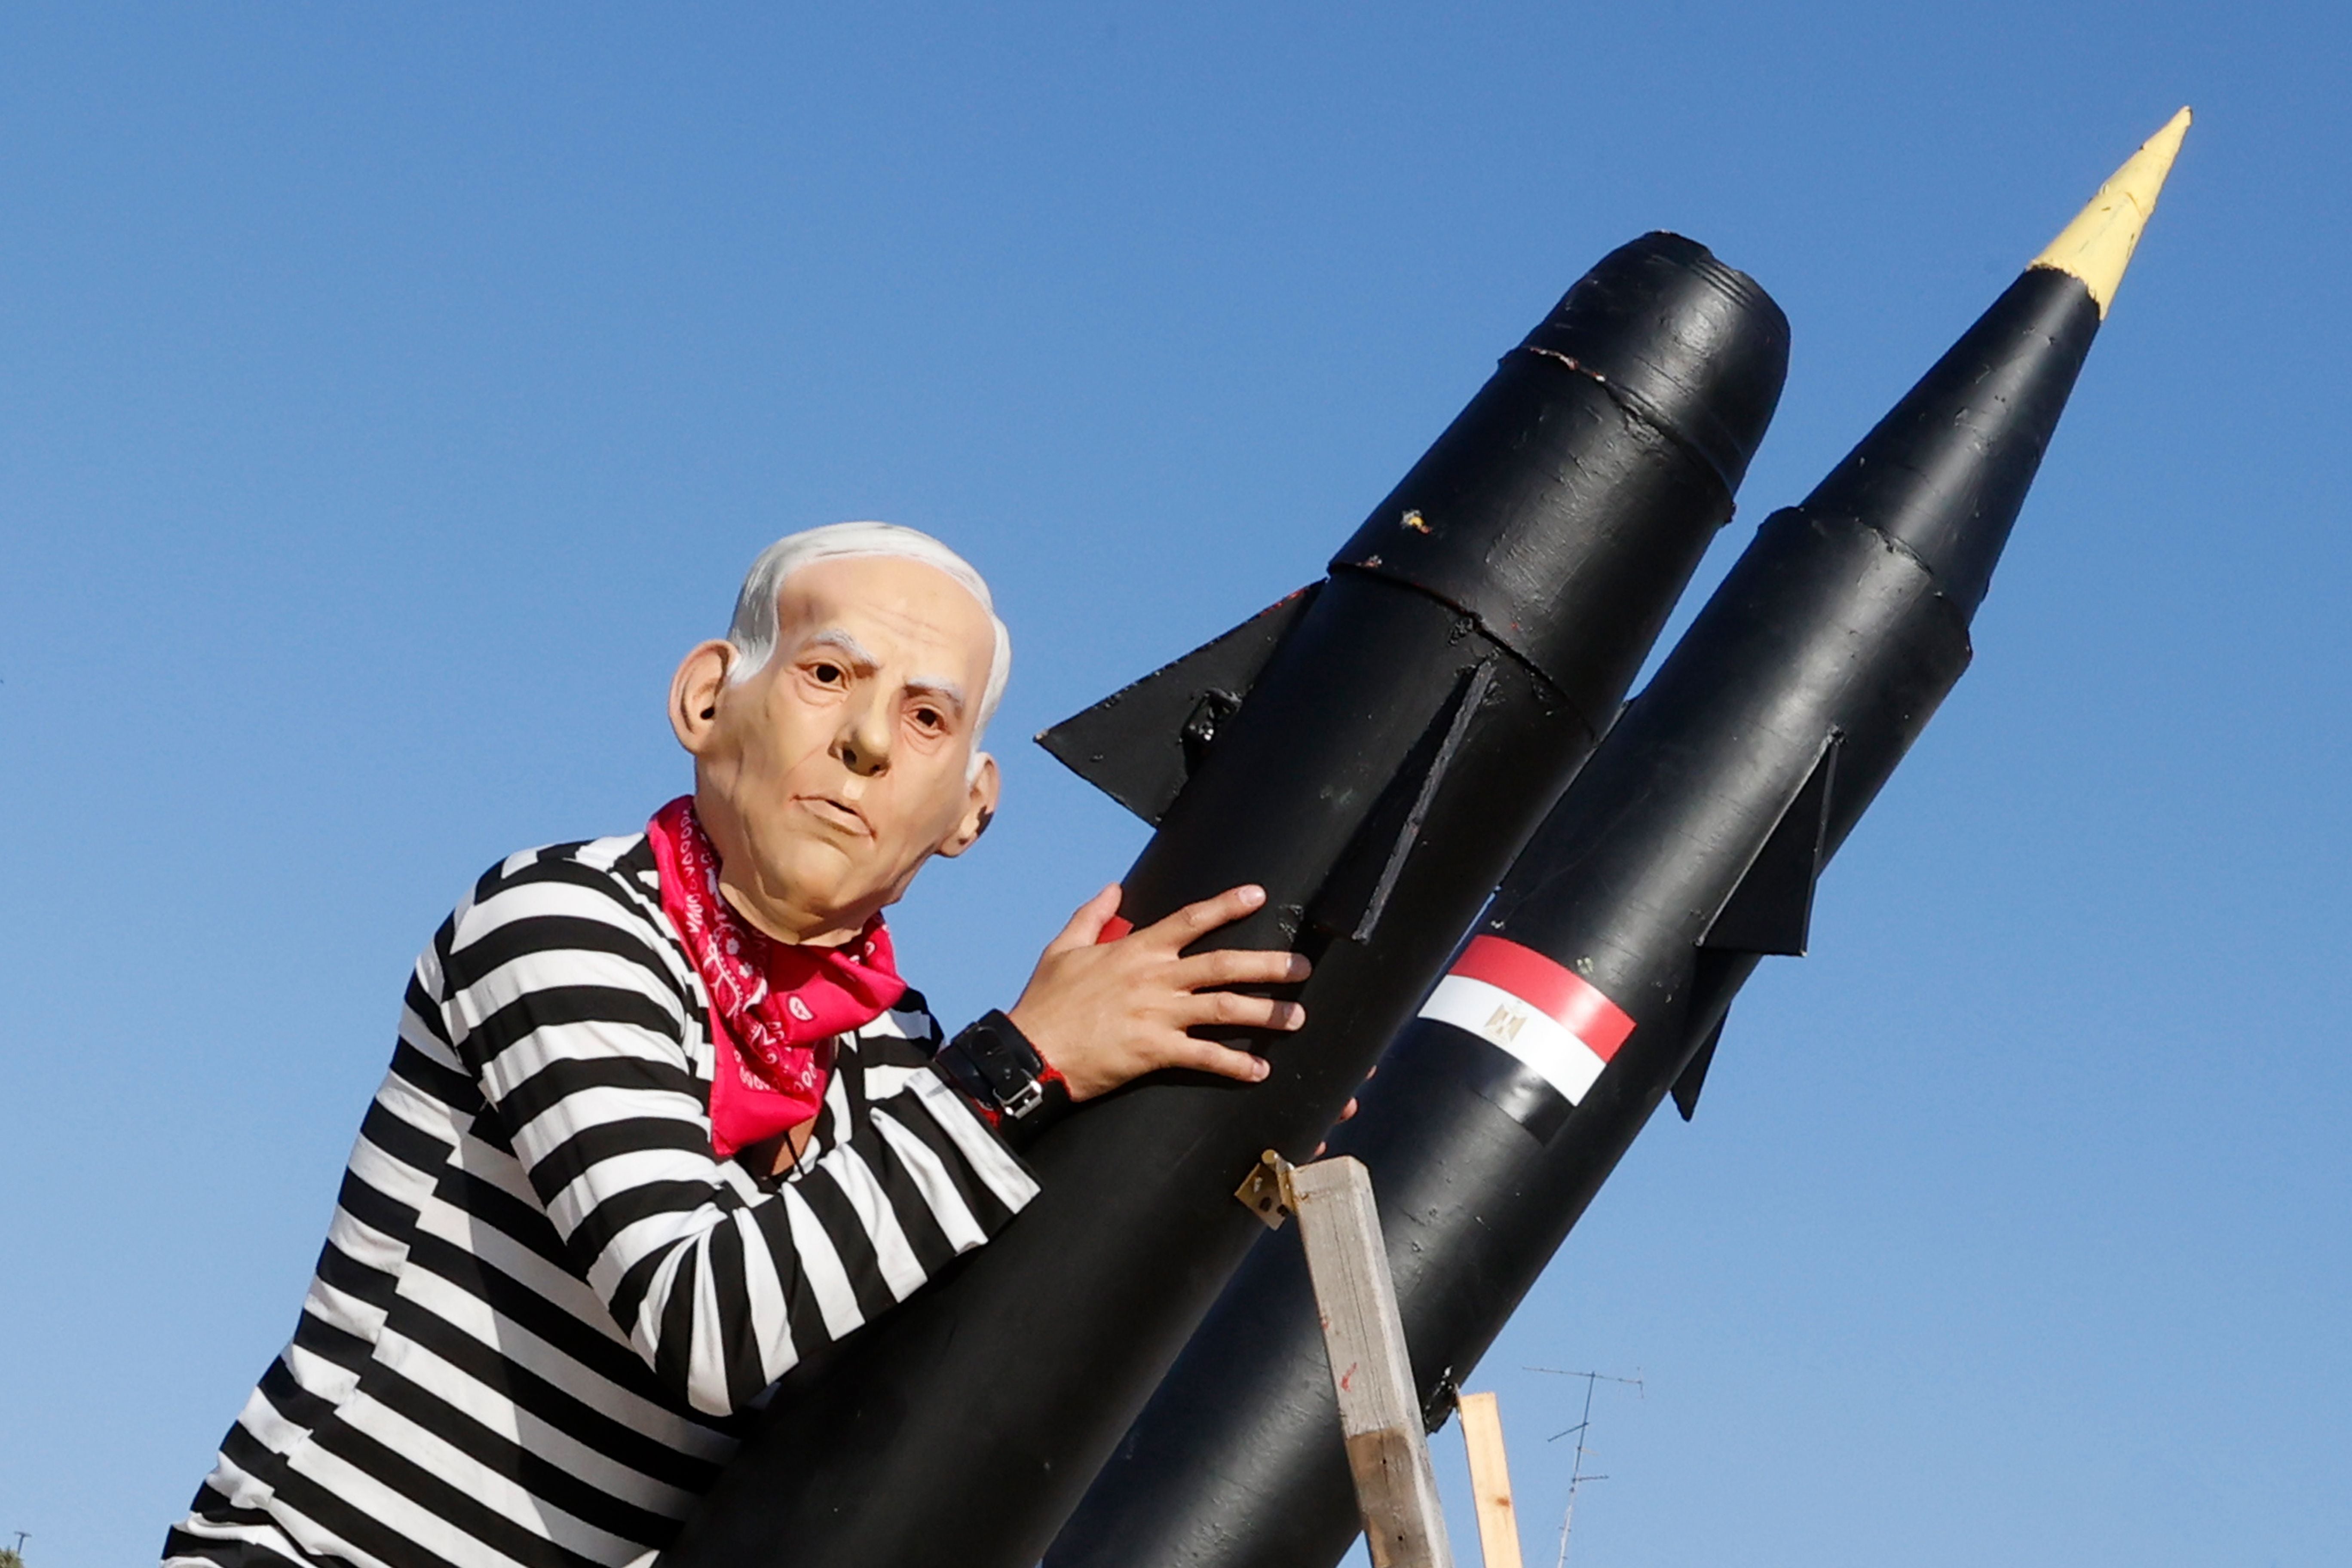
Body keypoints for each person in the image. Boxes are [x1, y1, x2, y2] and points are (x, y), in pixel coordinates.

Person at [163, 522, 1311, 1568]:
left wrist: (1209, 1130)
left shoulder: (897, 1058)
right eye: (827, 675)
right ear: (708, 698)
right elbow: (701, 1319)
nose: (867, 742)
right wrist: (1025, 1061)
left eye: (927, 718)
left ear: (972, 808)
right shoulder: (563, 924)